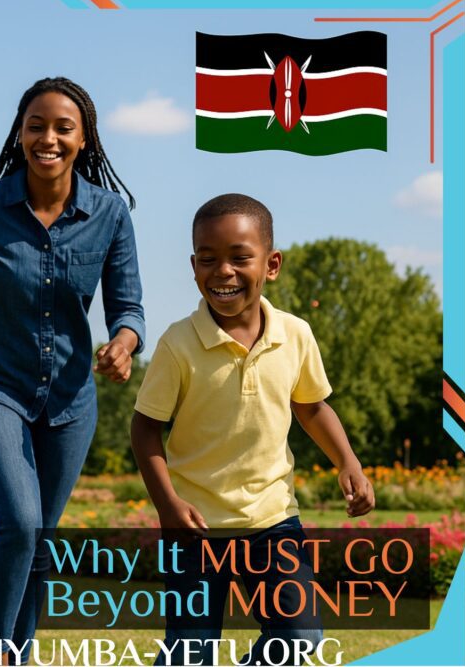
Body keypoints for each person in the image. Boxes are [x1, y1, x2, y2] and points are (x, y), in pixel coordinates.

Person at [0, 77, 145, 662]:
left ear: (85, 140)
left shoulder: (109, 214)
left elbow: (129, 309)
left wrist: (124, 344)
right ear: (19, 133)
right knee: (20, 524)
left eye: (62, 128)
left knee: (42, 539)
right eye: (35, 126)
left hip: (71, 400)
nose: (47, 138)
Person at [131, 193, 375, 665]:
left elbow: (312, 407)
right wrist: (168, 504)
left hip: (273, 520)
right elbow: (145, 429)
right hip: (195, 529)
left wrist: (348, 462)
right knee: (190, 653)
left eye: (240, 258)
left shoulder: (296, 334)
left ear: (272, 264)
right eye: (208, 259)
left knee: (300, 639)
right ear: (194, 265)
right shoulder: (179, 343)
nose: (223, 271)